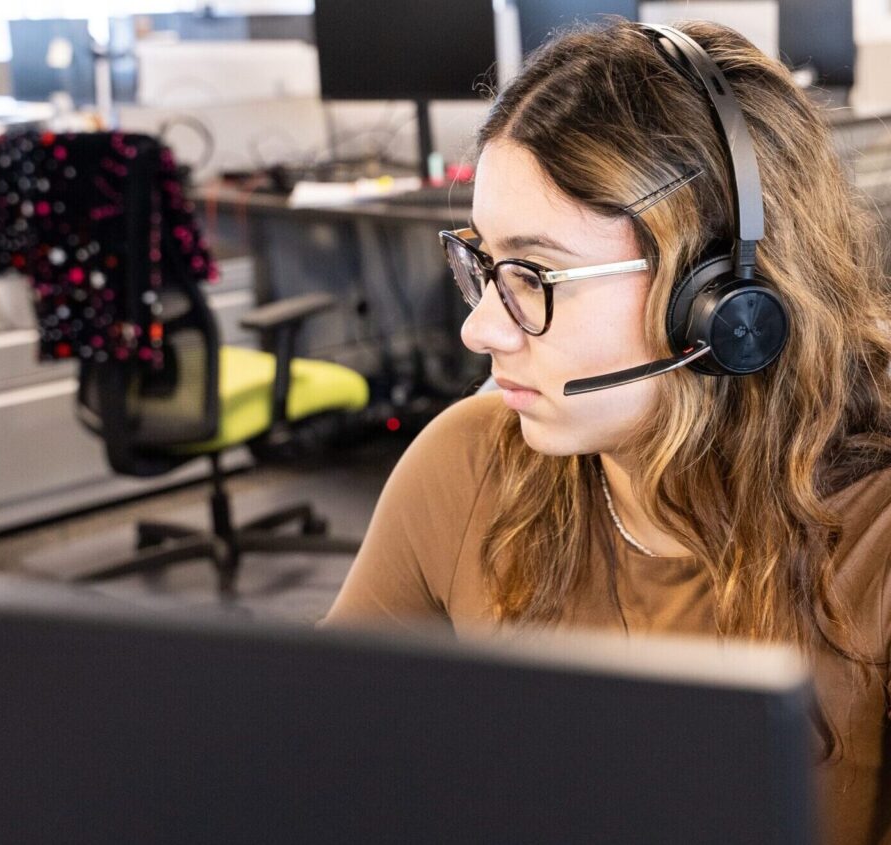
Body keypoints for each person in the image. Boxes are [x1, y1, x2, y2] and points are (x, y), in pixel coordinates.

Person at [322, 18, 891, 845]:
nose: (481, 329)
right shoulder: (470, 460)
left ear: (724, 301)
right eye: (483, 263)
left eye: (535, 274)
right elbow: (313, 764)